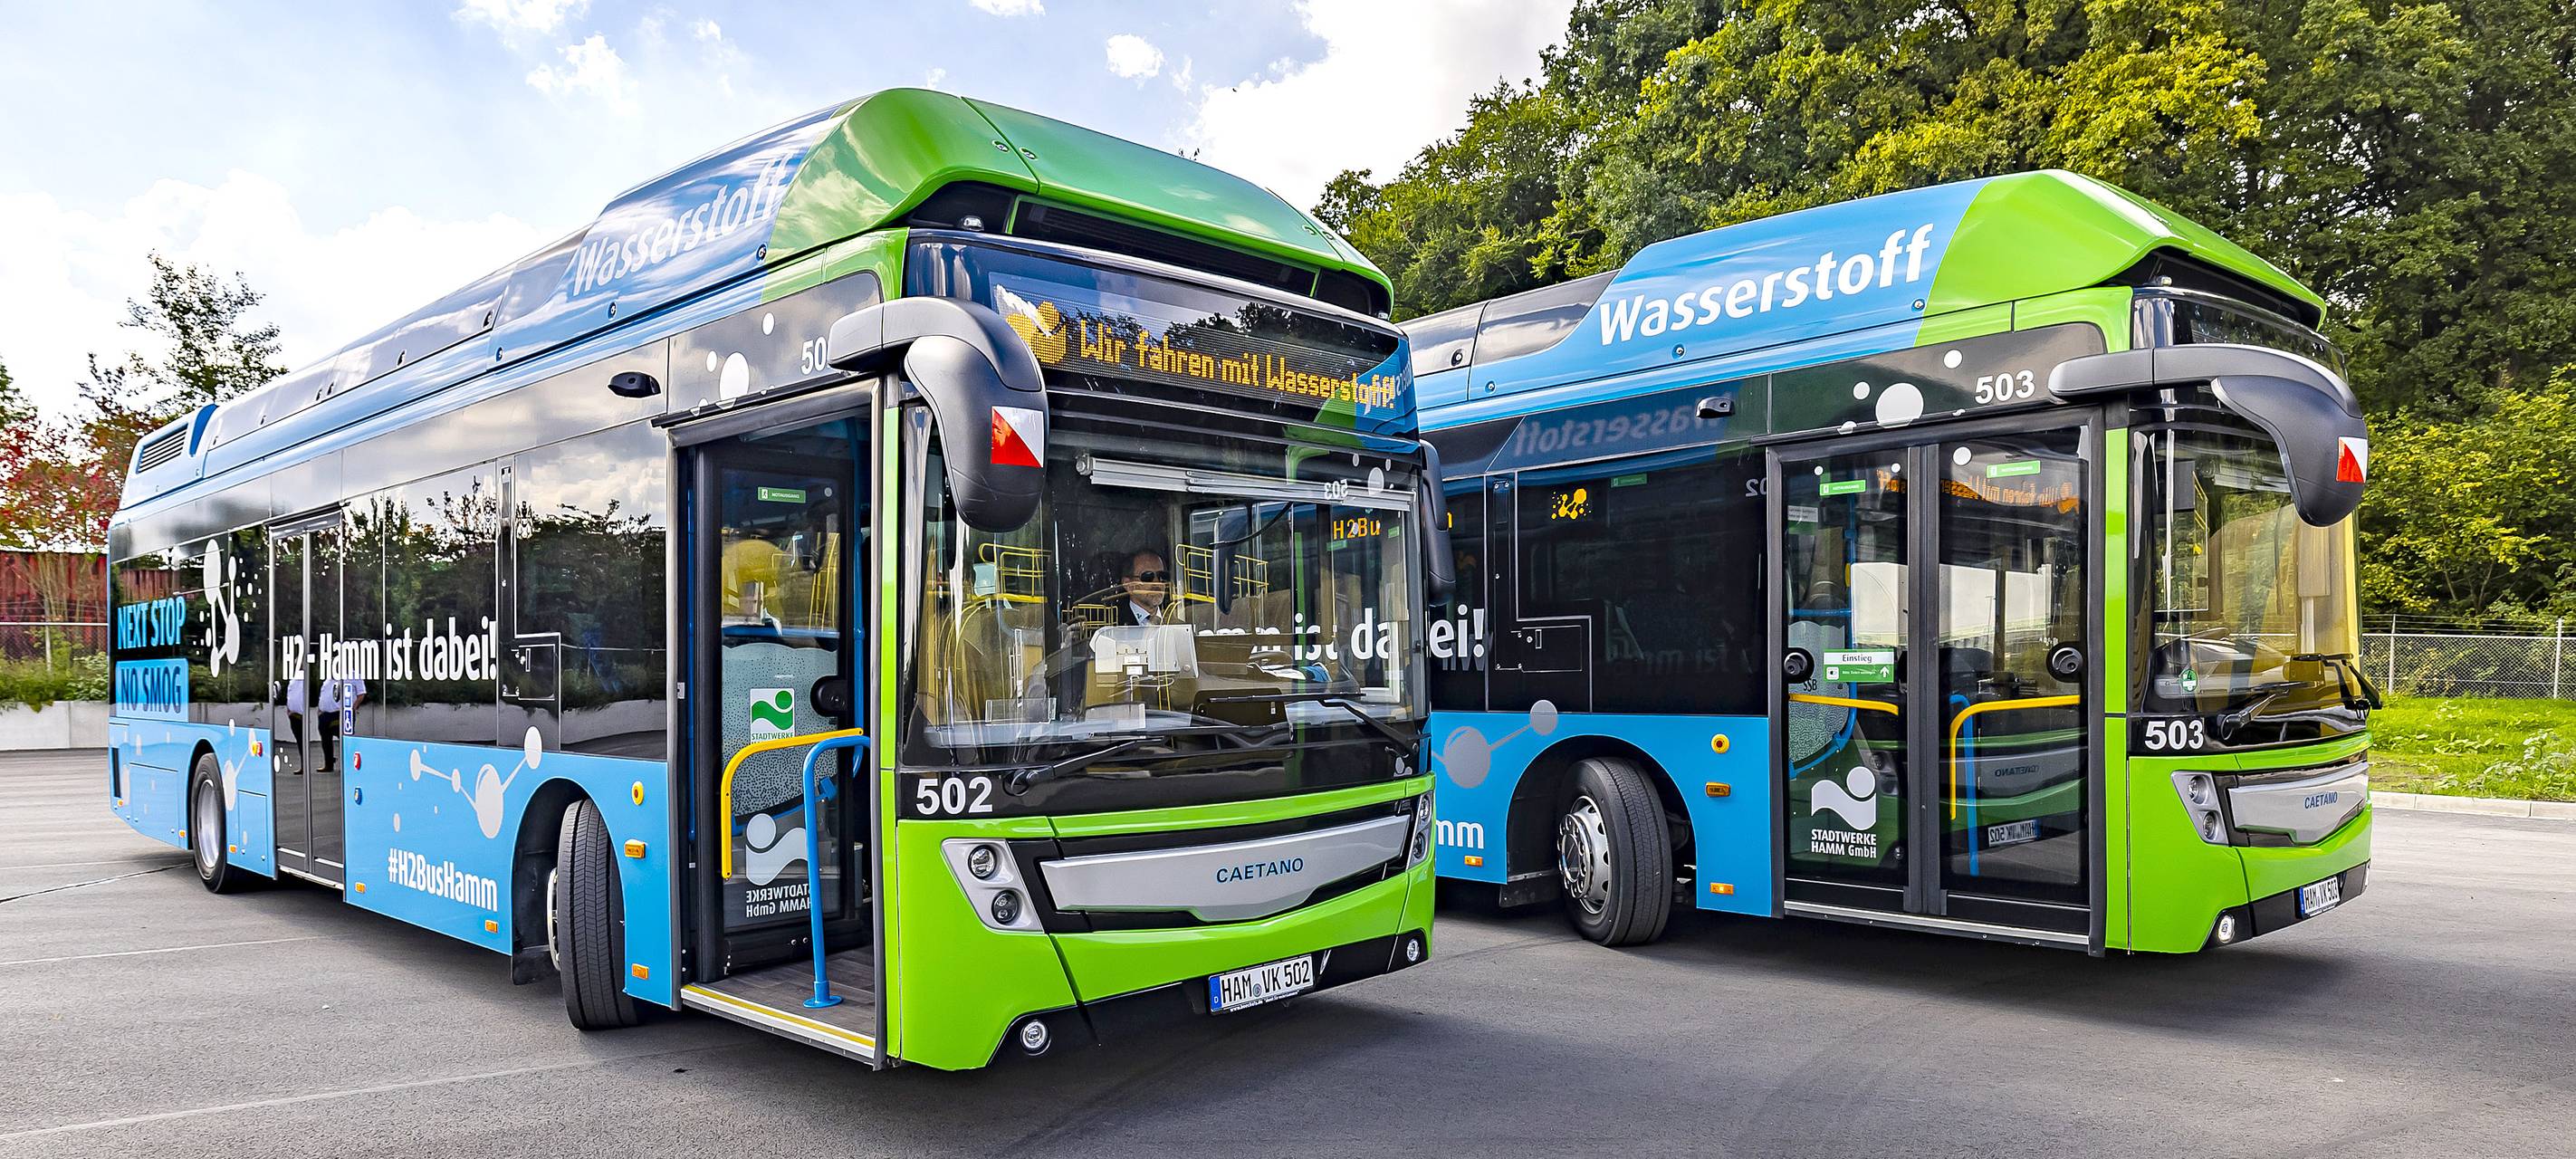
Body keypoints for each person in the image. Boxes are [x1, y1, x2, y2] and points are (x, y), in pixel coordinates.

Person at [1117, 549, 1174, 626]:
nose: (1157, 583)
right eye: (1147, 577)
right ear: (1128, 585)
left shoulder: (1179, 626)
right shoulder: (1113, 625)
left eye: (1162, 576)